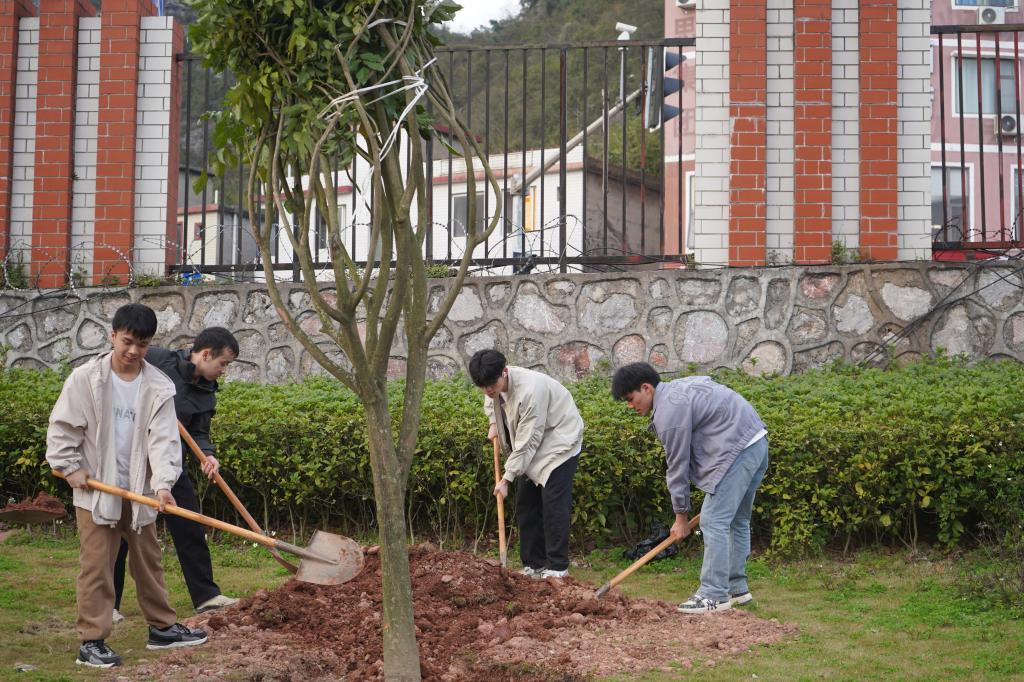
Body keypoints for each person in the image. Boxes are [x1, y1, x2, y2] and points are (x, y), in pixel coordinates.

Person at [46, 303, 208, 668]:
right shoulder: (86, 379)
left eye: (143, 344)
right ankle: (92, 640)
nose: (134, 351)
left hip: (141, 488)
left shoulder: (158, 385)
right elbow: (63, 429)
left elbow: (164, 441)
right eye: (128, 342)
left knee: (149, 561)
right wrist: (70, 466)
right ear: (113, 335)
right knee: (97, 566)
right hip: (96, 489)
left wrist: (164, 485)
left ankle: (162, 629)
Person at [611, 362, 769, 615]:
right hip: (756, 442)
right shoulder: (679, 388)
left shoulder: (669, 413)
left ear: (646, 388)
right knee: (737, 521)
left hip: (737, 450)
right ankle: (736, 589)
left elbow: (677, 466)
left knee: (714, 521)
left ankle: (713, 594)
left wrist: (680, 517)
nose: (631, 406)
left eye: (631, 399)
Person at [112, 327, 240, 619]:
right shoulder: (158, 360)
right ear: (205, 354)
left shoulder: (207, 391)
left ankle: (206, 596)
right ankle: (109, 605)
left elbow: (198, 432)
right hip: (131, 463)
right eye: (223, 364)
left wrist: (207, 454)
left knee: (190, 527)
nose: (223, 371)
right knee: (121, 531)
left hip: (170, 465)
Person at [468, 349, 583, 579]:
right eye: (483, 386)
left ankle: (557, 568)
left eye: (491, 383)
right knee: (526, 504)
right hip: (532, 441)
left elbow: (528, 442)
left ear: (505, 371)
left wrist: (506, 479)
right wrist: (493, 423)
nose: (488, 390)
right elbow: (493, 406)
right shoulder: (492, 386)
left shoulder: (531, 390)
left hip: (559, 439)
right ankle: (534, 564)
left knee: (552, 504)